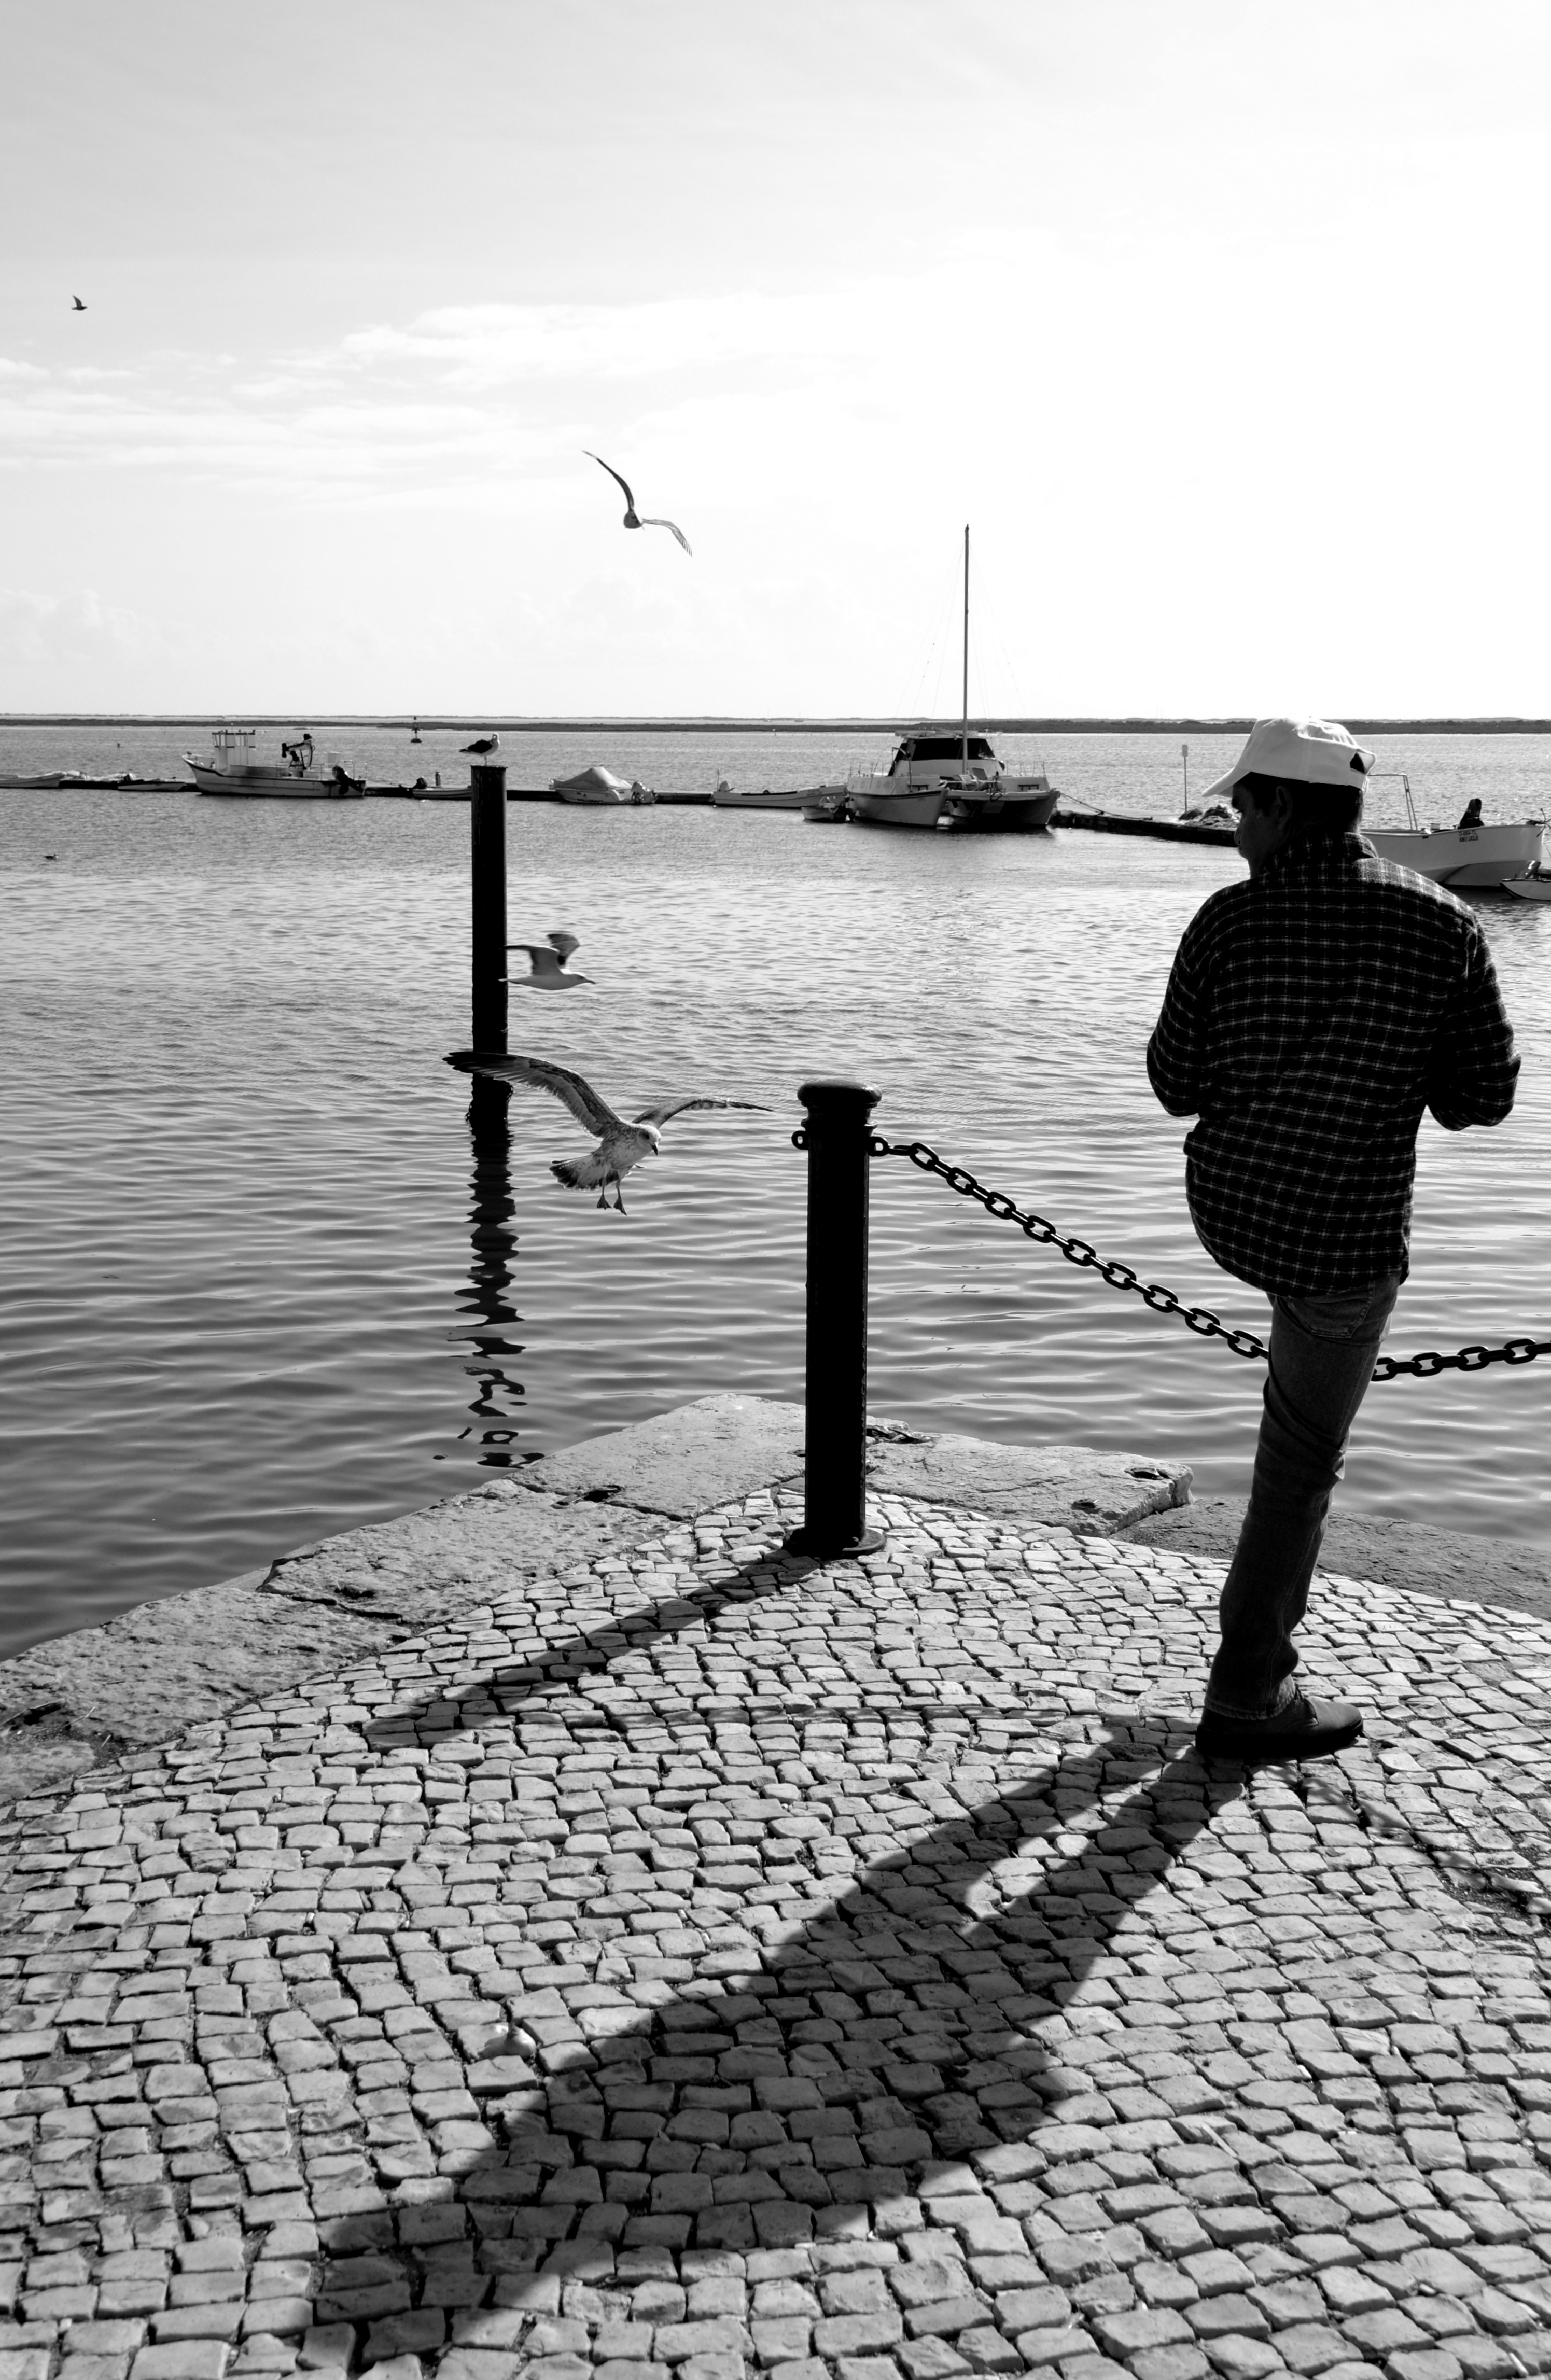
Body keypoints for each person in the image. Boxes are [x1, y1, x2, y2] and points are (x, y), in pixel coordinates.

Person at [1147, 717, 1518, 1763]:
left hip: (1231, 1212)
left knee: (1293, 1406)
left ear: (1274, 807)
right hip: (1343, 1235)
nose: (1230, 829)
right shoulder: (1442, 924)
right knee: (1299, 1461)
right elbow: (1479, 1101)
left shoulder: (1226, 922)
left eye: (1234, 810)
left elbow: (1175, 1085)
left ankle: (1258, 1670)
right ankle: (1247, 1690)